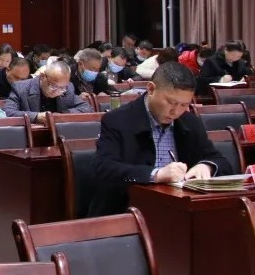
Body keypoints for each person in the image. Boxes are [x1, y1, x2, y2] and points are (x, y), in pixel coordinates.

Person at [90, 62, 232, 217]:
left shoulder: (190, 122)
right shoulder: (118, 120)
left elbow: (220, 161)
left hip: (178, 210)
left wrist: (207, 166)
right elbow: (104, 168)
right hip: (129, 211)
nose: (176, 111)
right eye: (171, 102)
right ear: (151, 89)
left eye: (184, 105)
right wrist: (155, 175)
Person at [4, 60, 90, 125]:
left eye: (62, 88)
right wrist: (36, 117)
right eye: (53, 86)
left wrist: (62, 115)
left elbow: (86, 108)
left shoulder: (68, 88)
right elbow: (8, 112)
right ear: (42, 76)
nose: (57, 91)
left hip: (59, 135)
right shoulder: (20, 88)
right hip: (31, 136)